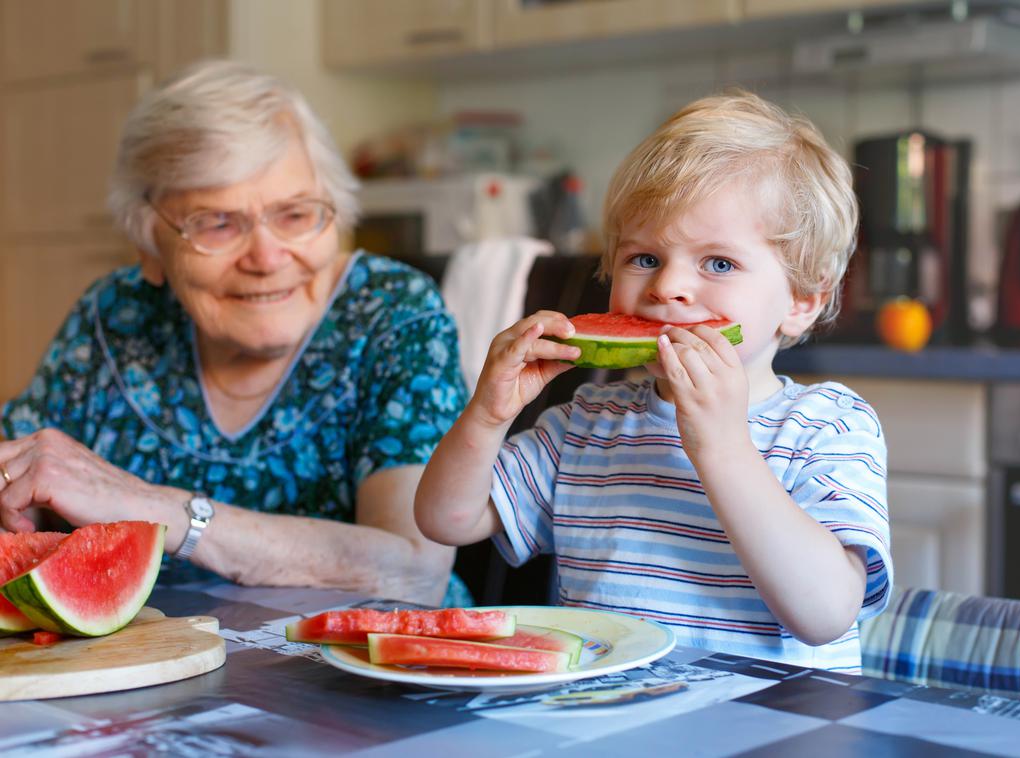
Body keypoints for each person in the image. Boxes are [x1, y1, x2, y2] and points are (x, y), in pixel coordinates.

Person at [415, 91, 892, 669]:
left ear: (801, 301)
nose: (667, 287)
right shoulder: (587, 423)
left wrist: (722, 447)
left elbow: (825, 614)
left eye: (718, 263)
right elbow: (446, 519)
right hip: (608, 719)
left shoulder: (827, 425)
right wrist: (488, 415)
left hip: (770, 729)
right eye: (643, 258)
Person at [0, 60, 471, 608]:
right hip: (146, 670)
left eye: (295, 214)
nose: (268, 259)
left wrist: (156, 509)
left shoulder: (393, 312)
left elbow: (415, 569)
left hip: (371, 680)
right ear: (149, 245)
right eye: (217, 224)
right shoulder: (116, 313)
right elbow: (22, 469)